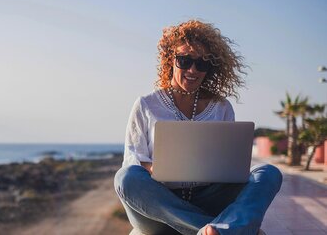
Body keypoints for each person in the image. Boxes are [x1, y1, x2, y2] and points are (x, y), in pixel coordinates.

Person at [114, 20, 282, 235]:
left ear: (210, 69)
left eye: (202, 64)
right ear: (170, 60)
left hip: (209, 197)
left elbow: (229, 163)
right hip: (160, 206)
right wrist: (156, 169)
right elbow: (133, 159)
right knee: (126, 177)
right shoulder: (146, 105)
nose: (193, 69)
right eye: (184, 60)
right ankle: (223, 229)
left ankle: (216, 230)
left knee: (268, 173)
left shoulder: (221, 107)